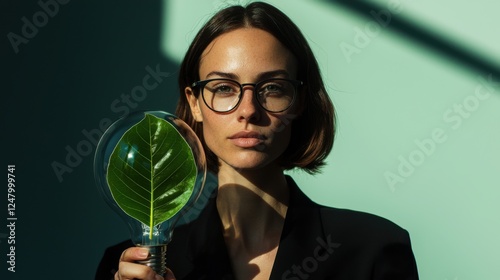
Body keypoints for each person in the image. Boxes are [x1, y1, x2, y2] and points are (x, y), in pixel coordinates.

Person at [96, 2, 419, 279]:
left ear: (299, 102)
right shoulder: (130, 267)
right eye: (223, 88)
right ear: (194, 102)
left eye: (273, 88)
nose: (249, 110)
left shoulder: (372, 250)